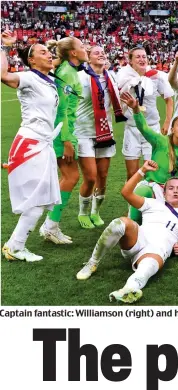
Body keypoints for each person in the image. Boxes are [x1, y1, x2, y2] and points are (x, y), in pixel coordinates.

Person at [76, 160, 178, 304]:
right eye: (171, 188)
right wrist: (142, 171)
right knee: (121, 222)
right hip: (138, 239)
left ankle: (128, 290)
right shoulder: (152, 203)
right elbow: (125, 192)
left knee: (148, 267)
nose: (175, 191)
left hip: (157, 250)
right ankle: (92, 263)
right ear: (163, 193)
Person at [1, 30, 60, 262]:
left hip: (43, 143)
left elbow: (63, 57)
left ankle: (15, 245)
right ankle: (15, 247)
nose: (48, 54)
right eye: (42, 52)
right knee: (37, 197)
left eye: (49, 52)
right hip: (31, 143)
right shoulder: (28, 77)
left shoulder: (50, 79)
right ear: (31, 60)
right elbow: (3, 75)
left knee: (43, 198)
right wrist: (4, 46)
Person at [119, 92, 178, 224]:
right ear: (173, 129)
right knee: (141, 191)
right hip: (153, 187)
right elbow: (144, 128)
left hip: (173, 190)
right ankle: (133, 223)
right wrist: (136, 109)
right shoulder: (160, 141)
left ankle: (174, 232)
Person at [37, 37, 88, 245]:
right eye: (82, 47)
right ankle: (50, 225)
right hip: (62, 132)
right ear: (73, 53)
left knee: (69, 177)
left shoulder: (70, 70)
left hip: (66, 130)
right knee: (70, 176)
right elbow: (62, 111)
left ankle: (51, 224)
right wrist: (67, 140)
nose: (86, 49)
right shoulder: (67, 73)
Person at [76, 45, 125, 228]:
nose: (101, 54)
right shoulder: (80, 77)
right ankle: (83, 212)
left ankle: (95, 212)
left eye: (103, 52)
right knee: (90, 176)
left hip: (104, 131)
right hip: (83, 131)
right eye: (96, 52)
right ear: (88, 58)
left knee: (102, 175)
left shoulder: (111, 77)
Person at [117, 46, 175, 179]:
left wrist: (167, 122)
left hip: (152, 128)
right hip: (132, 128)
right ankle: (132, 199)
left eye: (144, 56)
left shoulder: (156, 76)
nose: (142, 59)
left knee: (153, 170)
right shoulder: (123, 77)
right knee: (132, 173)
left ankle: (151, 199)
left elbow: (169, 100)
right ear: (130, 61)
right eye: (138, 57)